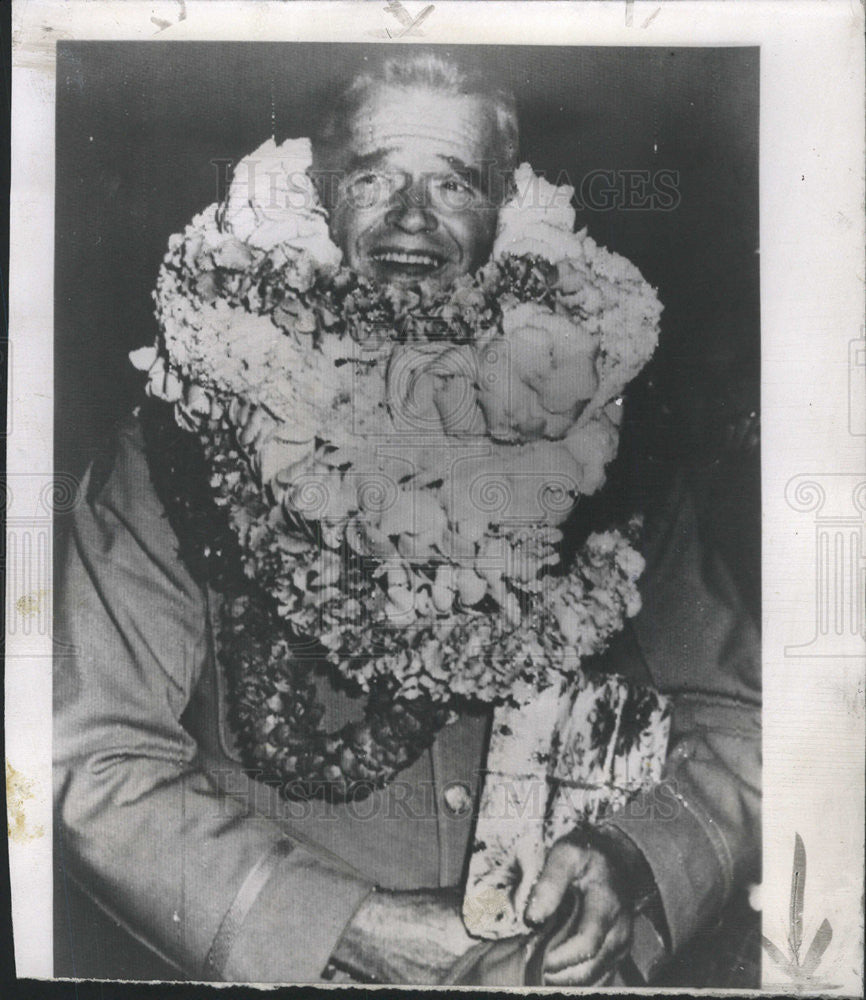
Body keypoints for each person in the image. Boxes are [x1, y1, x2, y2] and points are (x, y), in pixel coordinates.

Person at [54, 53, 760, 986]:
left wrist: (635, 861)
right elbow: (93, 761)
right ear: (320, 198)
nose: (413, 218)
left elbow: (747, 725)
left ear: (505, 211)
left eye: (454, 182)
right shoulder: (183, 440)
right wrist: (344, 927)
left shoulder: (606, 442)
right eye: (377, 175)